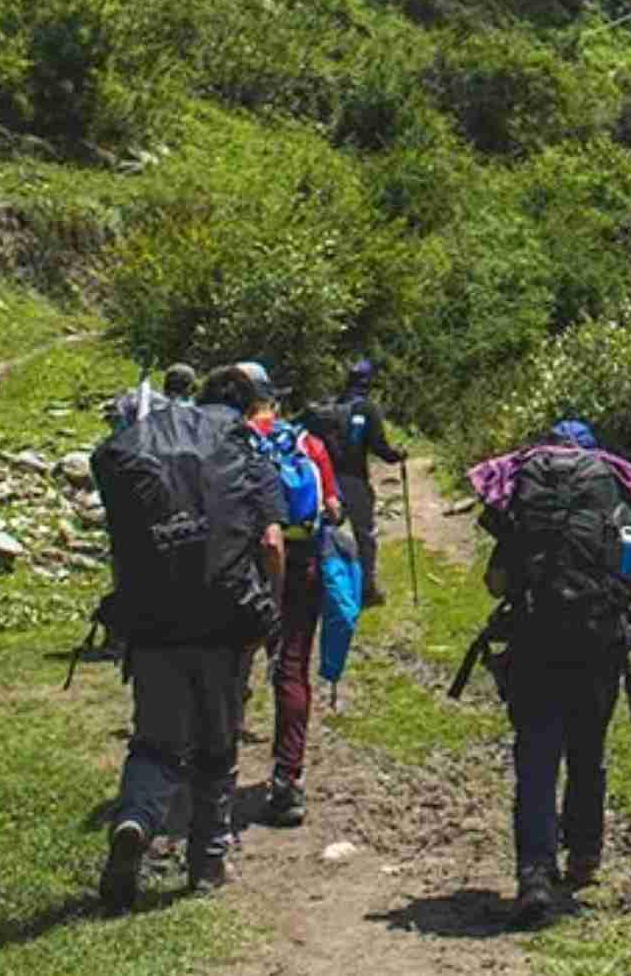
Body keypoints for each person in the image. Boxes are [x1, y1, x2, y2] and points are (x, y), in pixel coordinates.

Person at [93, 378, 285, 911]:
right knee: (217, 747)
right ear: (247, 408)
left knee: (155, 742)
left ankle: (135, 820)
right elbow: (271, 543)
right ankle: (207, 864)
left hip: (153, 622)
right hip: (226, 623)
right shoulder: (243, 451)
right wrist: (272, 610)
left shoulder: (144, 446)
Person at [474, 418, 631, 928]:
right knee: (587, 754)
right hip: (597, 647)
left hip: (534, 645)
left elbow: (497, 582)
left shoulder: (527, 508)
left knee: (536, 759)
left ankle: (534, 877)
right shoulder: (613, 509)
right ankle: (583, 857)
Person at [205, 361, 341, 828]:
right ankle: (287, 781)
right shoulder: (307, 444)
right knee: (291, 668)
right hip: (299, 568)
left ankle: (214, 775)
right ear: (273, 400)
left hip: (237, 565)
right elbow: (333, 508)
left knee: (229, 667)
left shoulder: (225, 444)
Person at [301, 358, 407, 608]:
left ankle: (321, 585)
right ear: (369, 382)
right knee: (364, 534)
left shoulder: (331, 406)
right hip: (355, 479)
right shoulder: (367, 409)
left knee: (324, 532)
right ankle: (366, 589)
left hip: (326, 480)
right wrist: (398, 456)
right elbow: (379, 447)